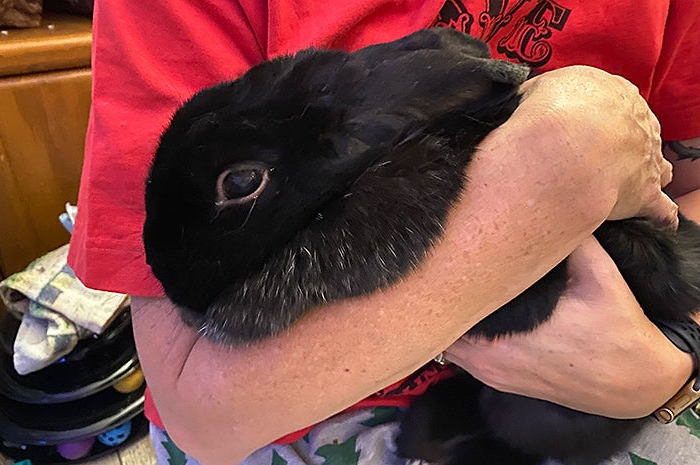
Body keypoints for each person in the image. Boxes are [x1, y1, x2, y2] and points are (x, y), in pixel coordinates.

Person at [67, 1, 700, 464]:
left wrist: (670, 360)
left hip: (612, 362)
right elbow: (202, 415)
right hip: (294, 424)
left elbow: (684, 189)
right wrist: (561, 164)